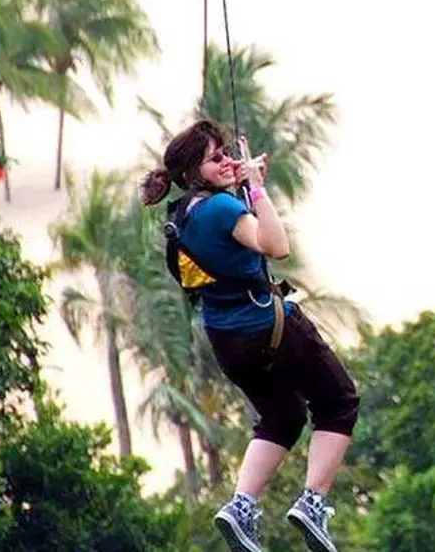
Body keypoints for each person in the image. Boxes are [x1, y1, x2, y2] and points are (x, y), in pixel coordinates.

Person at [139, 120, 360, 552]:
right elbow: (275, 245)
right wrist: (256, 188)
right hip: (268, 327)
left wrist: (241, 182)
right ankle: (313, 503)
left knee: (283, 419)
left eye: (226, 154)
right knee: (338, 403)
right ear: (192, 172)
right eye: (215, 158)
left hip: (227, 342)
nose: (225, 161)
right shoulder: (222, 210)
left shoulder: (184, 214)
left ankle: (241, 506)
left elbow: (226, 238)